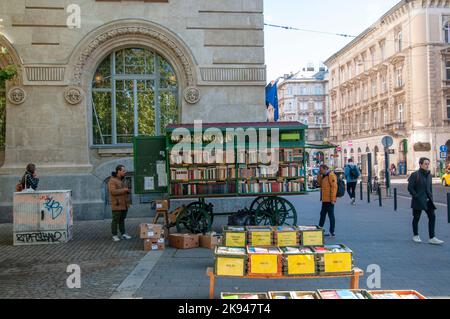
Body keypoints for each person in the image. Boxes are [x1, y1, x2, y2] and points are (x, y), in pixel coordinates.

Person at [407, 158, 444, 245]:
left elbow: (429, 188)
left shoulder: (429, 175)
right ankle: (415, 235)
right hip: (418, 200)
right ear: (420, 164)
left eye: (428, 164)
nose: (427, 165)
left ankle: (432, 237)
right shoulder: (415, 174)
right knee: (416, 218)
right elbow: (410, 188)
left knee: (432, 217)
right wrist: (416, 196)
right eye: (425, 164)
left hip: (428, 201)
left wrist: (431, 198)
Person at [108, 165, 132, 242]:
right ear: (118, 171)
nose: (125, 172)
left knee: (122, 219)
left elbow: (126, 189)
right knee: (115, 220)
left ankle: (123, 233)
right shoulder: (112, 180)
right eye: (123, 171)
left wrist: (128, 190)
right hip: (117, 204)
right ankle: (114, 235)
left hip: (124, 204)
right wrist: (124, 190)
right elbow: (113, 192)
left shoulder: (123, 180)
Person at [317, 164, 338, 237]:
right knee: (322, 214)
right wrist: (319, 175)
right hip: (324, 199)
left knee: (330, 215)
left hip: (330, 199)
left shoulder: (331, 175)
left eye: (321, 170)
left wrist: (333, 199)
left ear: (325, 169)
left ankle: (332, 232)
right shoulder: (324, 176)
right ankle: (320, 229)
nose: (320, 171)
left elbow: (334, 187)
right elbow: (320, 184)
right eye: (320, 170)